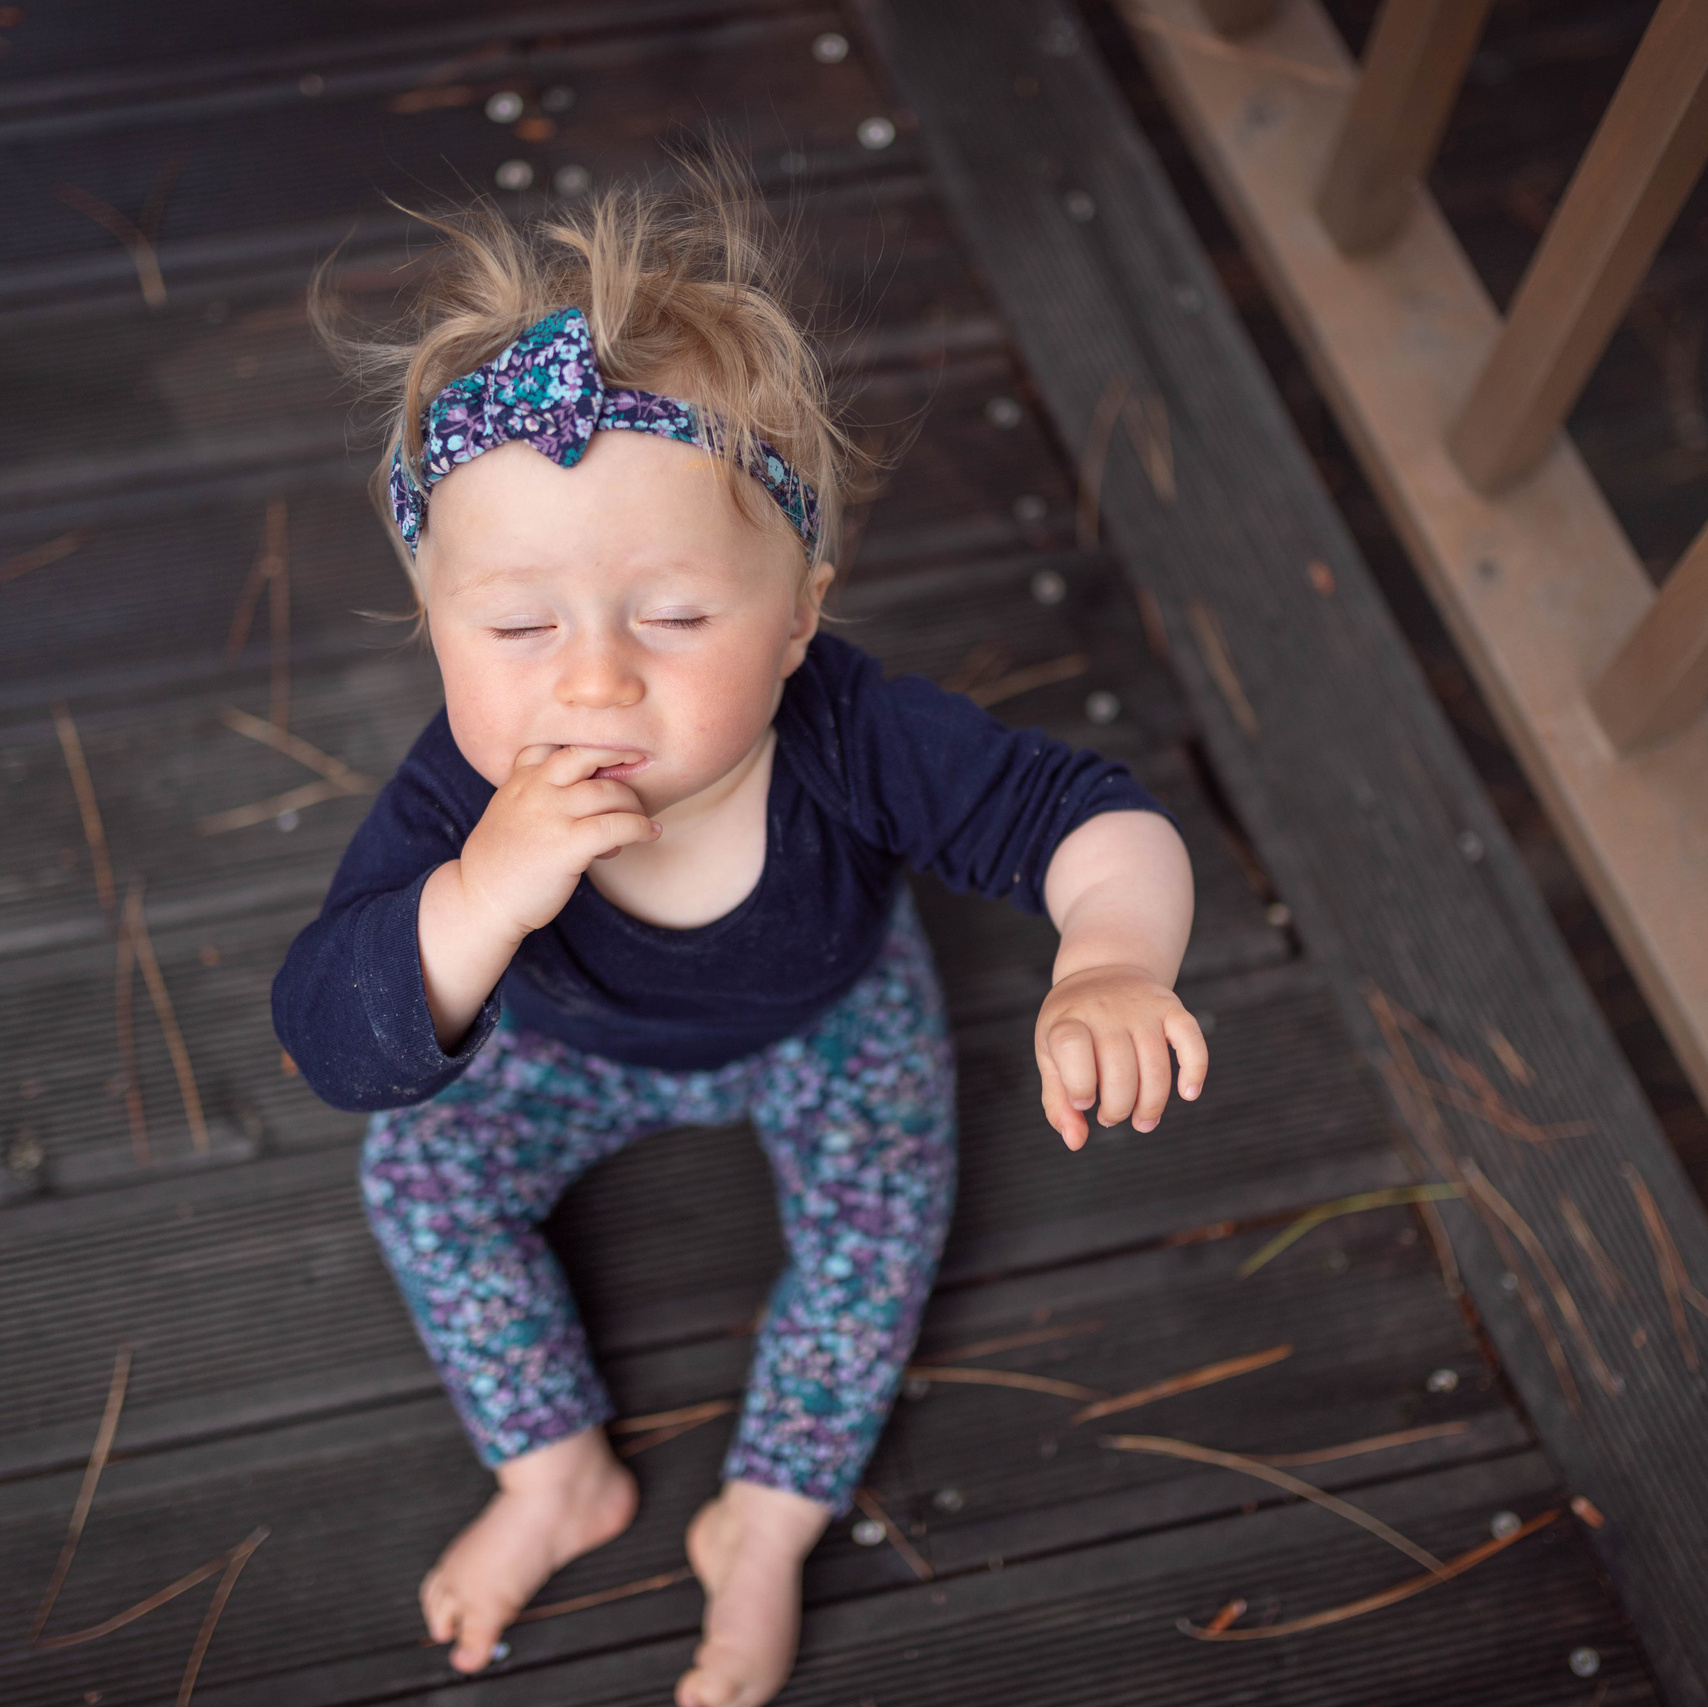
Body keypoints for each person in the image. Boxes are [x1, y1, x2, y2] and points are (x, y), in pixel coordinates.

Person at [274, 162, 1206, 1707]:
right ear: (435, 622)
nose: (592, 680)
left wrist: (1111, 955)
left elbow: (1089, 816)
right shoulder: (459, 801)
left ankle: (767, 1524)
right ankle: (553, 1471)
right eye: (516, 628)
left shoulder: (850, 731)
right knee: (420, 1182)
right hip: (566, 1047)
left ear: (797, 613)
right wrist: (479, 902)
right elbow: (331, 1038)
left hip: (826, 1018)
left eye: (675, 617)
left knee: (882, 1217)